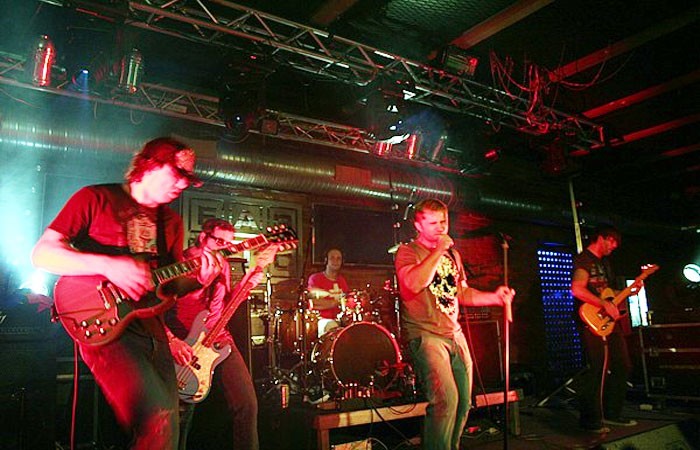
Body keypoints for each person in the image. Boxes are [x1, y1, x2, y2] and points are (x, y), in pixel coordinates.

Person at [31, 137, 217, 449]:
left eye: (187, 180)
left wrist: (200, 279)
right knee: (157, 418)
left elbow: (169, 285)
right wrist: (107, 265)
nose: (182, 185)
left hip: (153, 331)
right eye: (177, 176)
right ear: (149, 166)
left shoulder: (171, 222)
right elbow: (42, 254)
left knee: (169, 428)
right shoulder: (95, 198)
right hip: (104, 327)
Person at [394, 198, 514, 450]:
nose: (441, 228)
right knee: (445, 401)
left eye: (444, 222)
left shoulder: (453, 255)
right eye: (433, 223)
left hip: (454, 334)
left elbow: (462, 293)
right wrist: (437, 251)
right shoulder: (408, 251)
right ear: (418, 225)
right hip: (426, 335)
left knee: (464, 402)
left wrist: (495, 297)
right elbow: (413, 284)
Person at [165, 218, 278, 450]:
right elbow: (156, 308)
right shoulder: (181, 263)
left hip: (219, 338)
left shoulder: (223, 265)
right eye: (219, 241)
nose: (225, 247)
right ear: (203, 237)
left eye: (229, 243)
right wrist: (171, 340)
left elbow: (226, 305)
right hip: (186, 341)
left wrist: (253, 273)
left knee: (247, 404)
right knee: (180, 416)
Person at [571, 225, 637, 433]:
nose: (614, 246)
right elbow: (577, 289)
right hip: (591, 320)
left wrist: (629, 291)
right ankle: (589, 420)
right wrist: (602, 305)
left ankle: (611, 413)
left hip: (609, 321)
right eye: (612, 241)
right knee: (597, 368)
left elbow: (607, 293)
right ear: (601, 238)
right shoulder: (584, 260)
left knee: (622, 365)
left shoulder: (605, 264)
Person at [307, 248, 350, 334]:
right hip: (320, 320)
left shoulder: (342, 281)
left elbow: (346, 302)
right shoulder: (315, 278)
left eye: (338, 258)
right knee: (332, 326)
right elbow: (313, 302)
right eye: (332, 258)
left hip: (340, 320)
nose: (335, 261)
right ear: (326, 260)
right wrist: (335, 303)